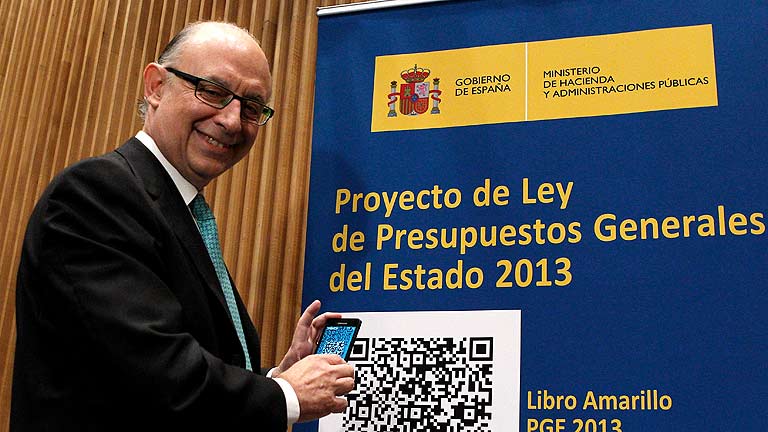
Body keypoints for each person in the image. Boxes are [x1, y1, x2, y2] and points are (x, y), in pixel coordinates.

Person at [11, 21, 354, 431]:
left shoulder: (181, 210)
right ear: (156, 86)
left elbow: (184, 363)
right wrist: (286, 395)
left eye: (251, 107)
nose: (232, 121)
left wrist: (275, 377)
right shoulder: (94, 195)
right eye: (213, 91)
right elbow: (157, 375)